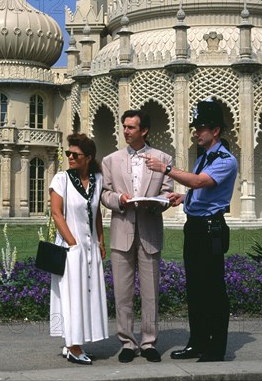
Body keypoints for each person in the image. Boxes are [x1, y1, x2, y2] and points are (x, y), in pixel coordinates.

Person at [143, 100, 238, 362]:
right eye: (195, 127)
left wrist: (167, 169)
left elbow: (200, 181)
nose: (196, 132)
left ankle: (215, 348)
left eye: (201, 128)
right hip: (195, 227)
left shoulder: (225, 160)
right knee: (195, 288)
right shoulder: (204, 157)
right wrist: (183, 198)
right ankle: (197, 342)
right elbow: (200, 189)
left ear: (216, 130)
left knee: (213, 289)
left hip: (211, 229)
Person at [101, 109, 173, 363]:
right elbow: (105, 195)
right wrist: (118, 199)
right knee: (122, 292)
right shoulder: (110, 160)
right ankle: (127, 343)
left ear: (144, 131)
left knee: (151, 292)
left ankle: (149, 341)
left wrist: (158, 202)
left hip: (150, 231)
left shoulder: (162, 158)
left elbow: (167, 193)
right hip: (122, 231)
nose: (125, 131)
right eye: (124, 126)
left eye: (131, 127)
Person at [49, 133, 108, 365]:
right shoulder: (61, 179)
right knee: (71, 295)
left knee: (86, 293)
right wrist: (73, 244)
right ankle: (73, 347)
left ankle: (74, 343)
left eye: (76, 154)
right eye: (68, 154)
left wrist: (101, 241)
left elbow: (96, 215)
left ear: (88, 157)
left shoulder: (98, 179)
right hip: (70, 248)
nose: (70, 157)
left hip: (91, 248)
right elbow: (56, 213)